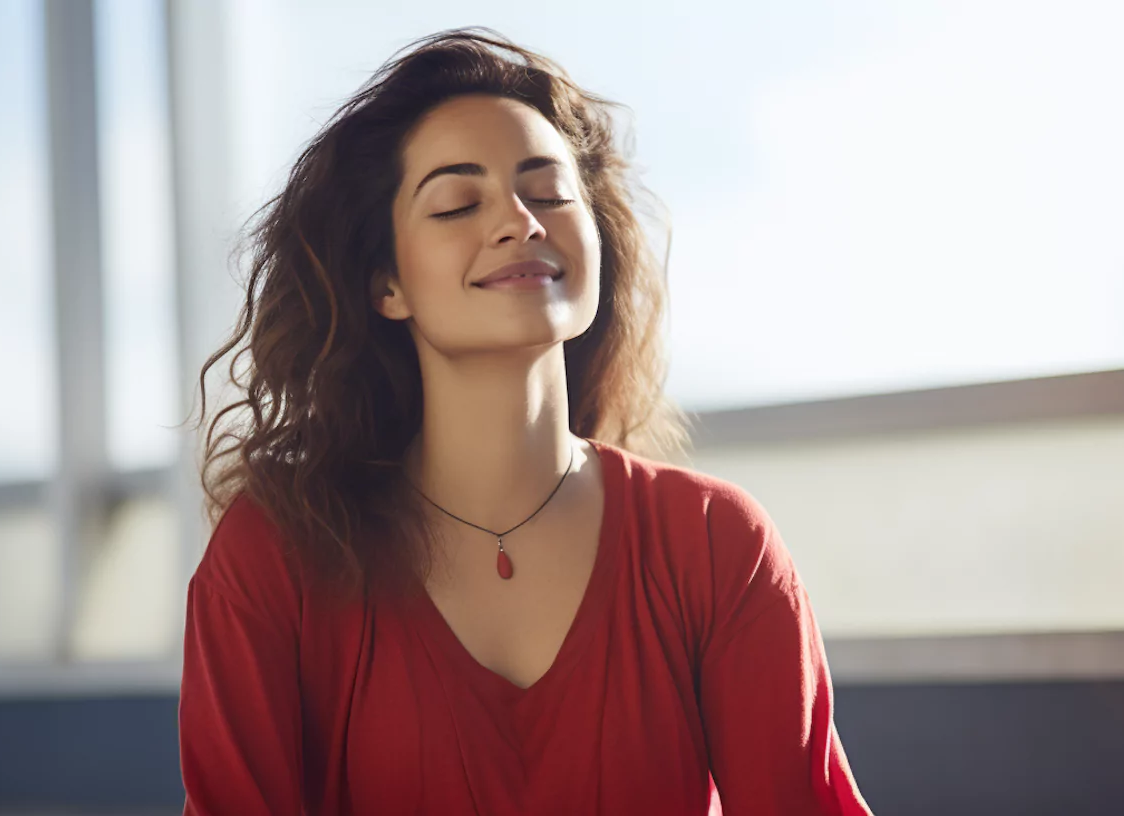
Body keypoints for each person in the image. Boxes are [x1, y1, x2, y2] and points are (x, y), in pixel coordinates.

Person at [178, 27, 873, 815]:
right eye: (456, 203)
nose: (520, 221)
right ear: (386, 286)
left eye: (548, 194)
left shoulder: (715, 544)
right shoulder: (274, 556)